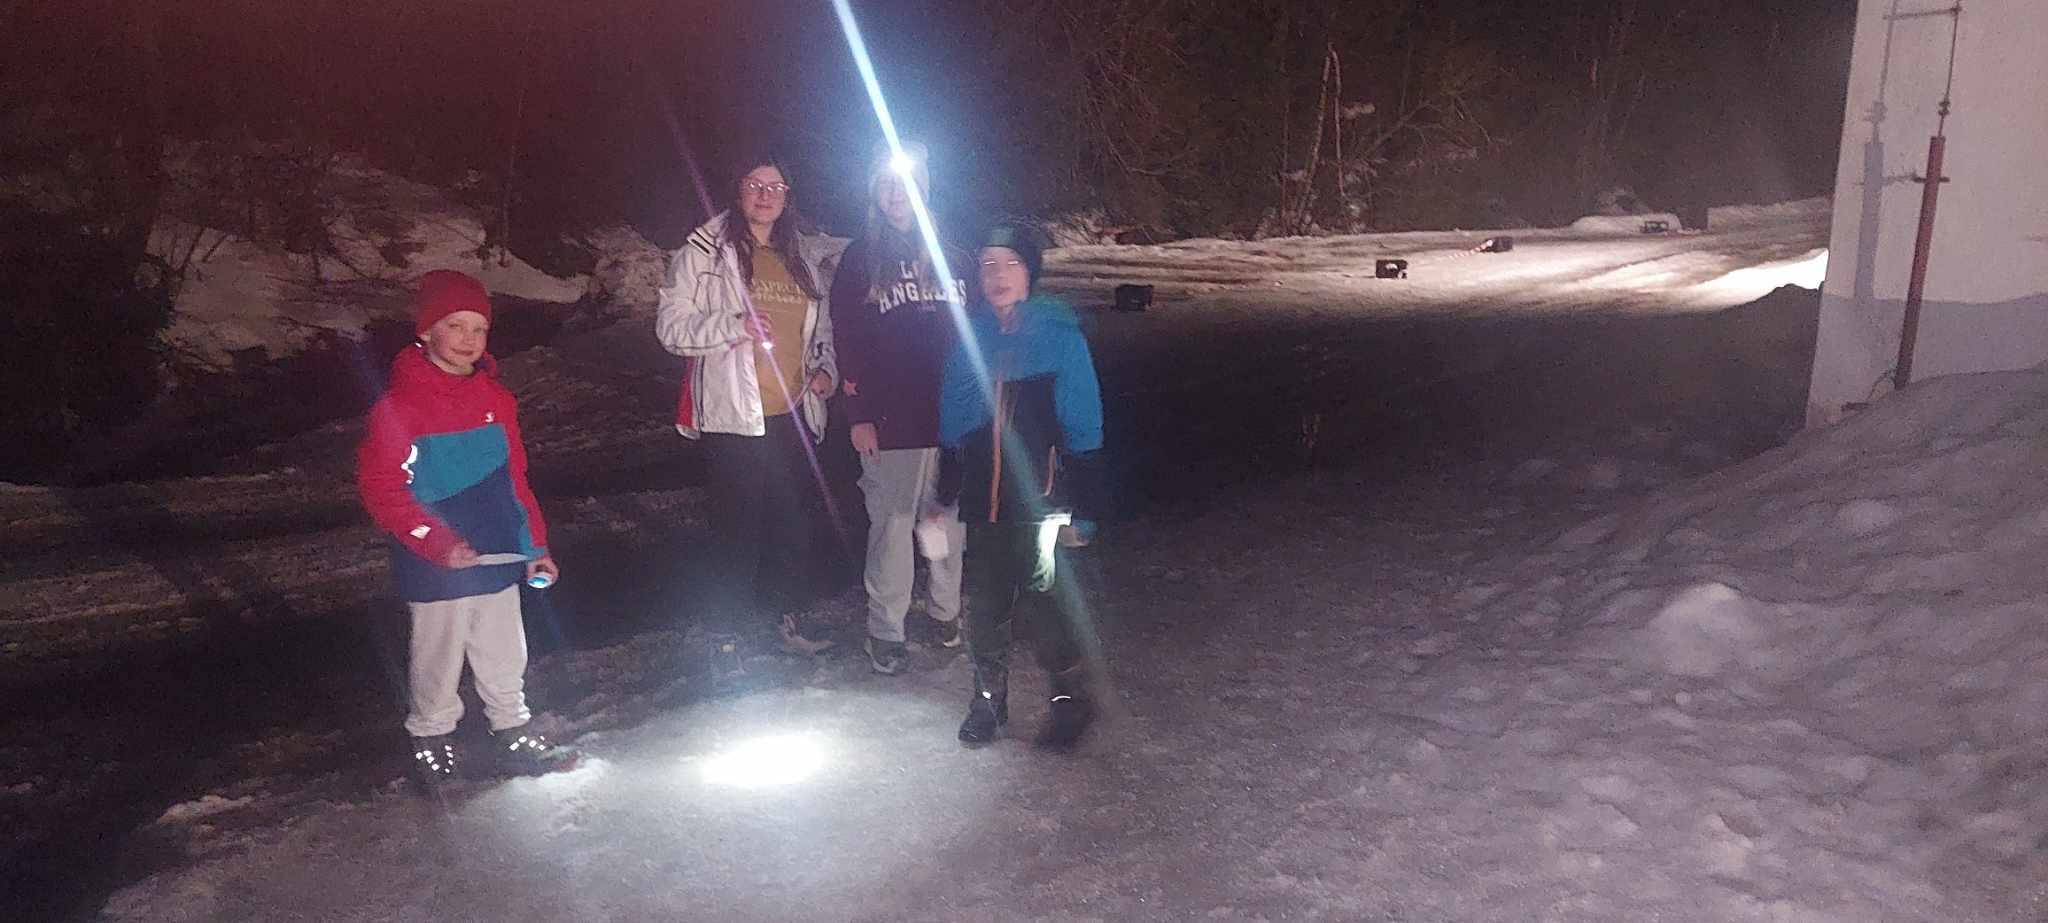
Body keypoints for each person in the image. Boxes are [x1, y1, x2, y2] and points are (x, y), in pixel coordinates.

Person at [357, 270, 578, 786]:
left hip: (498, 553)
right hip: (436, 564)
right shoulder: (399, 408)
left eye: (479, 329)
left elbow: (515, 481)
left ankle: (512, 729)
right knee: (438, 656)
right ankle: (431, 740)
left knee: (505, 650)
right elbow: (383, 490)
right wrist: (436, 543)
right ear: (426, 331)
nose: (468, 340)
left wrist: (534, 546)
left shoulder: (497, 401)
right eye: (455, 326)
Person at [656, 156, 839, 678]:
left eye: (775, 187)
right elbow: (671, 327)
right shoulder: (704, 251)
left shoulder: (800, 255)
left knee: (792, 525)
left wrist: (824, 370)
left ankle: (788, 620)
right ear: (737, 191)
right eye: (755, 185)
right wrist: (732, 324)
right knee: (735, 533)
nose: (765, 195)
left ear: (788, 196)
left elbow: (820, 331)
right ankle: (726, 640)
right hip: (734, 416)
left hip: (793, 414)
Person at [938, 225, 1109, 749]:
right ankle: (988, 701)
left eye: (1010, 263)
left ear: (1029, 272)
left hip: (1042, 501)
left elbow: (1084, 425)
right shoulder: (972, 338)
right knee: (986, 605)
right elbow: (954, 423)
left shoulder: (1059, 337)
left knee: (1045, 603)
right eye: (988, 264)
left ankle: (1069, 699)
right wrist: (945, 491)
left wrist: (1085, 506)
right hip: (984, 500)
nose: (997, 274)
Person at [830, 141, 969, 675]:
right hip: (891, 421)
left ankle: (943, 612)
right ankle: (886, 630)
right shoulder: (860, 258)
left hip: (951, 420)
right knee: (893, 527)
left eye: (907, 181)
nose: (896, 192)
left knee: (944, 523)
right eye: (886, 182)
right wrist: (859, 413)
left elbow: (974, 337)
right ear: (874, 190)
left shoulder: (952, 254)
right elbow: (847, 339)